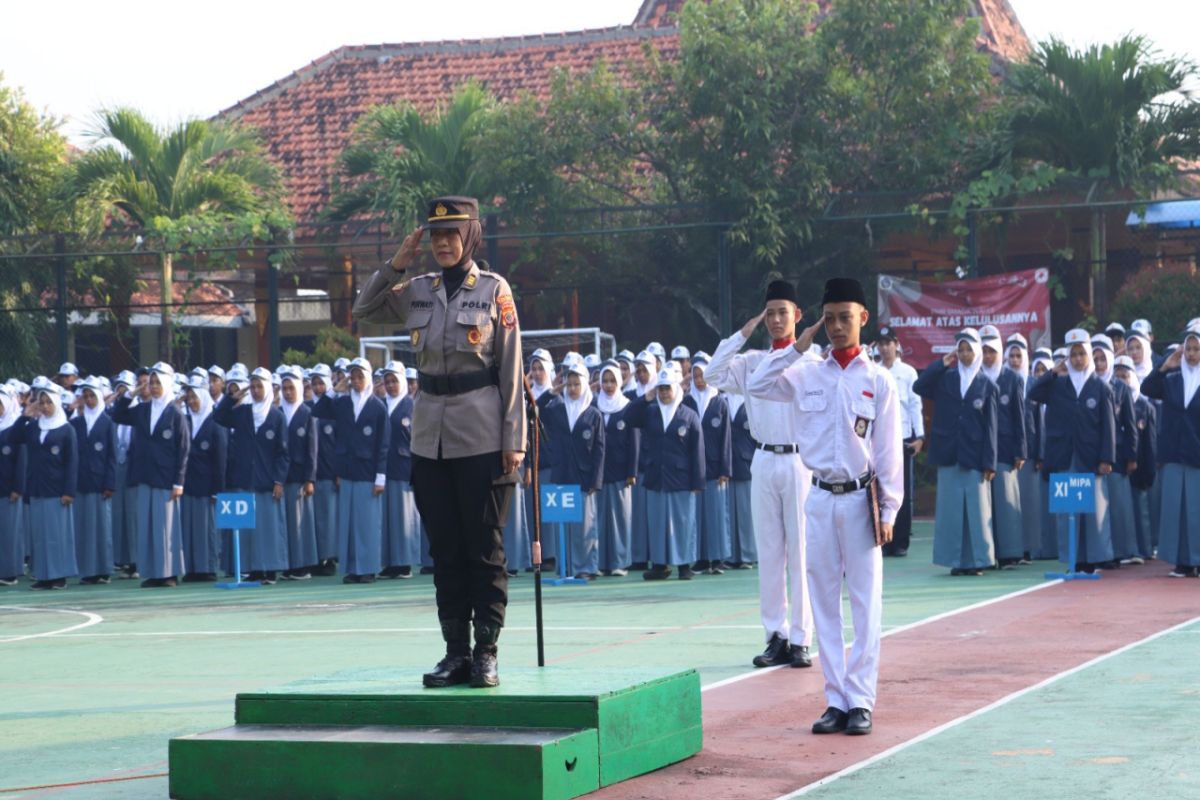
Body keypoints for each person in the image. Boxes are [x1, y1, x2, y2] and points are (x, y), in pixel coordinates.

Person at [352, 196, 526, 689]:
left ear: (470, 236)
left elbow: (511, 365)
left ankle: (486, 651)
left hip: (483, 436)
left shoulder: (494, 290)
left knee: (484, 550)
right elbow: (363, 309)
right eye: (435, 236)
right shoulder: (418, 290)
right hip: (430, 437)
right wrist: (396, 262)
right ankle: (455, 653)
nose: (443, 244)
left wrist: (515, 439)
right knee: (445, 550)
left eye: (452, 234)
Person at [747, 277, 902, 737]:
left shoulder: (879, 380)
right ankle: (835, 699)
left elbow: (890, 452)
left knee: (865, 604)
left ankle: (862, 700)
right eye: (829, 318)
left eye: (844, 318)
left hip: (860, 500)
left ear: (863, 319)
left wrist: (889, 510)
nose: (836, 326)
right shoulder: (806, 372)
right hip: (817, 498)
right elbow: (759, 383)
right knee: (823, 603)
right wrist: (800, 345)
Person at [706, 279, 816, 669]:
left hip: (801, 461)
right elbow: (712, 374)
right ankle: (776, 636)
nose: (776, 320)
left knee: (802, 553)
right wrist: (741, 333)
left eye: (783, 312)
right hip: (764, 459)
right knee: (769, 554)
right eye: (770, 313)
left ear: (798, 316)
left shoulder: (812, 362)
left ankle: (802, 638)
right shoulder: (752, 361)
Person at [1029, 329, 1116, 573]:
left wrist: (1106, 458)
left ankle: (1090, 560)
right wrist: (1052, 373)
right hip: (1064, 455)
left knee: (1091, 511)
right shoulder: (1058, 385)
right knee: (1067, 510)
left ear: (1089, 355)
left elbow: (1108, 427)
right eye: (1073, 355)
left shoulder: (1100, 387)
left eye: (1082, 354)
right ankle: (1071, 560)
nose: (1078, 359)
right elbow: (1033, 393)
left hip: (1091, 458)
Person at [914, 328, 998, 576]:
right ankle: (955, 561)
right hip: (948, 453)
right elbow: (920, 385)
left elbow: (991, 428)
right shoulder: (946, 378)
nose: (963, 354)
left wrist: (990, 463)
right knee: (951, 512)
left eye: (968, 349)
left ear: (977, 352)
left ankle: (975, 561)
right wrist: (942, 363)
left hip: (974, 457)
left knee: (976, 511)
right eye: (960, 349)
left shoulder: (987, 385)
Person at [309, 358, 391, 585]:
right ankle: (352, 568)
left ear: (368, 378)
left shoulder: (377, 407)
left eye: (359, 377)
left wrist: (380, 477)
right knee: (348, 523)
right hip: (346, 470)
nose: (355, 381)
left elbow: (383, 445)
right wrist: (336, 390)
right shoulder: (342, 403)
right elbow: (318, 409)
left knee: (367, 524)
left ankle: (368, 569)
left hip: (368, 472)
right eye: (352, 377)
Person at [110, 363, 189, 588]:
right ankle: (152, 573)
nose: (153, 387)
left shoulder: (175, 413)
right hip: (144, 476)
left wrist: (179, 482)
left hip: (166, 479)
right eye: (151, 382)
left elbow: (183, 449)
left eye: (157, 383)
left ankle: (169, 574)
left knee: (166, 528)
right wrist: (131, 394)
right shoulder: (143, 409)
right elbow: (118, 414)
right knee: (147, 527)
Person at [625, 365, 704, 580]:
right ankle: (660, 565)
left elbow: (697, 451)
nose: (664, 393)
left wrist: (698, 482)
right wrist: (646, 397)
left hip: (681, 478)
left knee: (683, 523)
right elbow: (628, 417)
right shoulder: (650, 412)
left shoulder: (688, 415)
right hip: (656, 477)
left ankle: (684, 565)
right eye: (661, 389)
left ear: (675, 389)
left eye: (667, 388)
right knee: (658, 523)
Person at [213, 367, 289, 585]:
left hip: (267, 482)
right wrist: (231, 398)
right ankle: (255, 569)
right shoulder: (243, 413)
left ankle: (271, 570)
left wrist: (278, 480)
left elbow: (283, 454)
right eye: (253, 386)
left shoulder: (277, 417)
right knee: (251, 529)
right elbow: (218, 416)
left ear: (267, 388)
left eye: (259, 386)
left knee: (270, 528)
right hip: (245, 480)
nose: (255, 391)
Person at [1140, 329, 1200, 577]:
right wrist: (1164, 366)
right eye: (1188, 349)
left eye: (1197, 349)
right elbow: (1147, 388)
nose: (1192, 354)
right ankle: (1181, 562)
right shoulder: (1172, 378)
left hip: (1197, 454)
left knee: (1197, 510)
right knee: (1176, 510)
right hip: (1173, 453)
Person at [13, 380, 78, 590]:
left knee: (56, 535)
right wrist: (25, 414)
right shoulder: (33, 427)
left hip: (57, 490)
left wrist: (69, 491)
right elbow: (14, 437)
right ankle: (43, 575)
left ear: (57, 403)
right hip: (37, 488)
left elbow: (72, 462)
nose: (45, 406)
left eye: (49, 402)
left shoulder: (66, 429)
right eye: (41, 403)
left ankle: (58, 576)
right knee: (40, 536)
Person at [543, 362, 605, 579]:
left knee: (584, 526)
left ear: (585, 385)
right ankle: (566, 567)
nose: (572, 389)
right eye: (568, 384)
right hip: (562, 474)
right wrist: (552, 391)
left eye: (576, 384)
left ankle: (587, 567)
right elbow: (536, 410)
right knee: (563, 524)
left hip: (584, 477)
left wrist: (595, 481)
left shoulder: (593, 414)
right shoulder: (557, 408)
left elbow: (599, 450)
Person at [980, 325, 1026, 569]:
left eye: (992, 351)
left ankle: (1010, 553)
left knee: (1006, 501)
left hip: (1006, 448)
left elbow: (1020, 416)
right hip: (980, 449)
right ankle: (988, 553)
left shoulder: (1013, 378)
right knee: (984, 504)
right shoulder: (974, 376)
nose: (988, 356)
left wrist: (1021, 450)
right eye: (984, 350)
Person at [876, 327, 922, 557]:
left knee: (901, 491)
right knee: (879, 490)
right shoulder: (873, 371)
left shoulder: (908, 372)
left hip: (903, 437)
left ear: (896, 344)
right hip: (879, 440)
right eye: (881, 344)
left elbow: (915, 405)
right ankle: (882, 539)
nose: (885, 348)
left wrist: (920, 437)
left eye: (889, 343)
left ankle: (901, 540)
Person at [1092, 335, 1138, 567]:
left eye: (1103, 359)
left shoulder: (1121, 388)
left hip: (1118, 457)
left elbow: (1130, 426)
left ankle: (1120, 551)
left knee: (1118, 508)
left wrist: (1131, 456)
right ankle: (1102, 553)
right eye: (1095, 359)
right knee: (1098, 509)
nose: (1099, 364)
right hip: (1093, 456)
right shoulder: (1087, 386)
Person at [68, 378, 116, 585]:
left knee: (101, 527)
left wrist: (110, 484)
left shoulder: (107, 422)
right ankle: (87, 571)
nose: (88, 400)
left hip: (100, 483)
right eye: (85, 396)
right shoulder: (76, 423)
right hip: (81, 482)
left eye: (92, 396)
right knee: (83, 527)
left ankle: (103, 570)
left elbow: (112, 456)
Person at [180, 374, 226, 582]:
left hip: (208, 487)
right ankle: (192, 568)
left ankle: (208, 567)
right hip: (188, 485)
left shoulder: (215, 423)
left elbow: (221, 460)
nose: (191, 402)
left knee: (207, 528)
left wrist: (218, 490)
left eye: (194, 398)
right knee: (189, 528)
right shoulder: (186, 421)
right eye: (188, 398)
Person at [595, 362, 638, 576]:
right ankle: (601, 563)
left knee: (620, 518)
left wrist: (632, 471)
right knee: (599, 518)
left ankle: (620, 562)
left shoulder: (627, 406)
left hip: (622, 472)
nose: (609, 385)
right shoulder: (594, 405)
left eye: (612, 381)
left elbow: (634, 442)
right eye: (605, 381)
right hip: (599, 473)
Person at [380, 361, 420, 579]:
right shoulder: (380, 405)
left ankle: (403, 563)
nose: (391, 385)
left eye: (394, 381)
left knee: (403, 518)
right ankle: (389, 563)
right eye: (387, 381)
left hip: (405, 468)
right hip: (384, 469)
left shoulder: (411, 405)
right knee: (386, 518)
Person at [1115, 355, 1156, 564]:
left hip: (1138, 466)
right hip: (1118, 464)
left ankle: (1145, 549)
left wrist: (1148, 469)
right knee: (1122, 509)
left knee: (1140, 510)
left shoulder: (1144, 406)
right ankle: (1126, 550)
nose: (1122, 380)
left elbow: (1149, 443)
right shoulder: (1111, 401)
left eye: (1125, 376)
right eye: (1118, 376)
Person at [279, 369, 318, 580]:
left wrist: (309, 478)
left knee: (300, 525)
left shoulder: (307, 413)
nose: (287, 392)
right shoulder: (277, 412)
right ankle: (288, 564)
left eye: (291, 388)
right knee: (285, 524)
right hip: (281, 478)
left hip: (299, 478)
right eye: (284, 388)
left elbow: (313, 449)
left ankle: (302, 566)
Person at [0, 386, 26, 586]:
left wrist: (18, 488)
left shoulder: (14, 429)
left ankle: (10, 572)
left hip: (10, 490)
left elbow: (21, 461)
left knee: (10, 531)